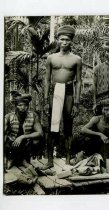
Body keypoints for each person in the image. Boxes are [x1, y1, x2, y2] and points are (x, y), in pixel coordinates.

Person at [43, 25, 82, 169]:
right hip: (55, 90)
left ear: (71, 41)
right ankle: (49, 161)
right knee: (53, 126)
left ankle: (67, 158)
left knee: (68, 126)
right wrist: (46, 101)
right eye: (62, 39)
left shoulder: (76, 59)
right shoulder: (51, 58)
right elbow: (47, 80)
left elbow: (78, 82)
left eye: (67, 40)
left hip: (69, 91)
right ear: (58, 40)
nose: (64, 42)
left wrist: (77, 103)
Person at [4, 94, 43, 169]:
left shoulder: (33, 115)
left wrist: (22, 137)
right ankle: (11, 158)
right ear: (15, 106)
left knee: (37, 140)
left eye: (25, 105)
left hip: (26, 143)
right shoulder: (9, 116)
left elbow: (40, 133)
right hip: (12, 142)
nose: (23, 108)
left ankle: (24, 160)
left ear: (28, 106)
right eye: (20, 105)